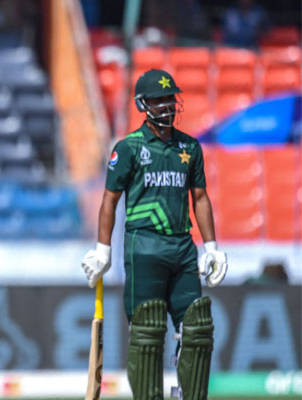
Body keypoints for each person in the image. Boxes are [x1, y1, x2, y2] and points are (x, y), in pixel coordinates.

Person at [81, 69, 228, 400]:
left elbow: (200, 198)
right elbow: (109, 200)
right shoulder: (129, 148)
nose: (166, 105)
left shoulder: (189, 147)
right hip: (143, 246)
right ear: (143, 104)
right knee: (147, 332)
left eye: (170, 98)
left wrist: (213, 248)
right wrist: (102, 250)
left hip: (183, 247)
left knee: (198, 328)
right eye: (159, 100)